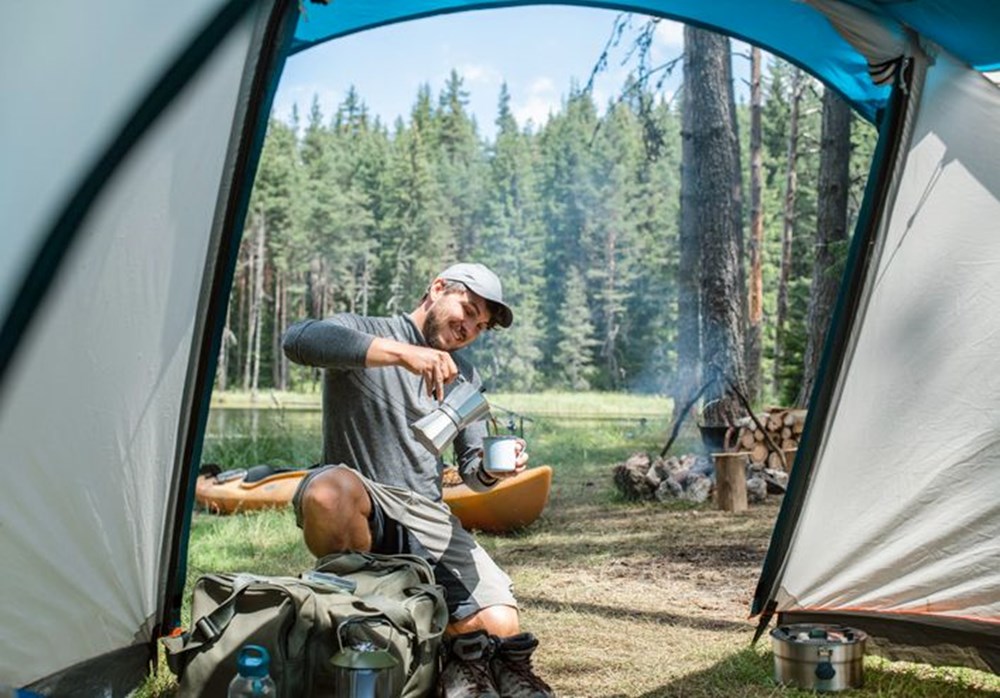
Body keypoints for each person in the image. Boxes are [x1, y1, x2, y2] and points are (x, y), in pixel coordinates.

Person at [283, 262, 554, 698]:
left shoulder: (464, 375)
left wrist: (491, 470)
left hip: (426, 513)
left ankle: (459, 663)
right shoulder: (364, 330)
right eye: (466, 310)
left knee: (502, 625)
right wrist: (404, 353)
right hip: (362, 500)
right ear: (437, 288)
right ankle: (415, 621)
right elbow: (297, 340)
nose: (469, 327)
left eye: (481, 325)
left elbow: (471, 467)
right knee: (327, 489)